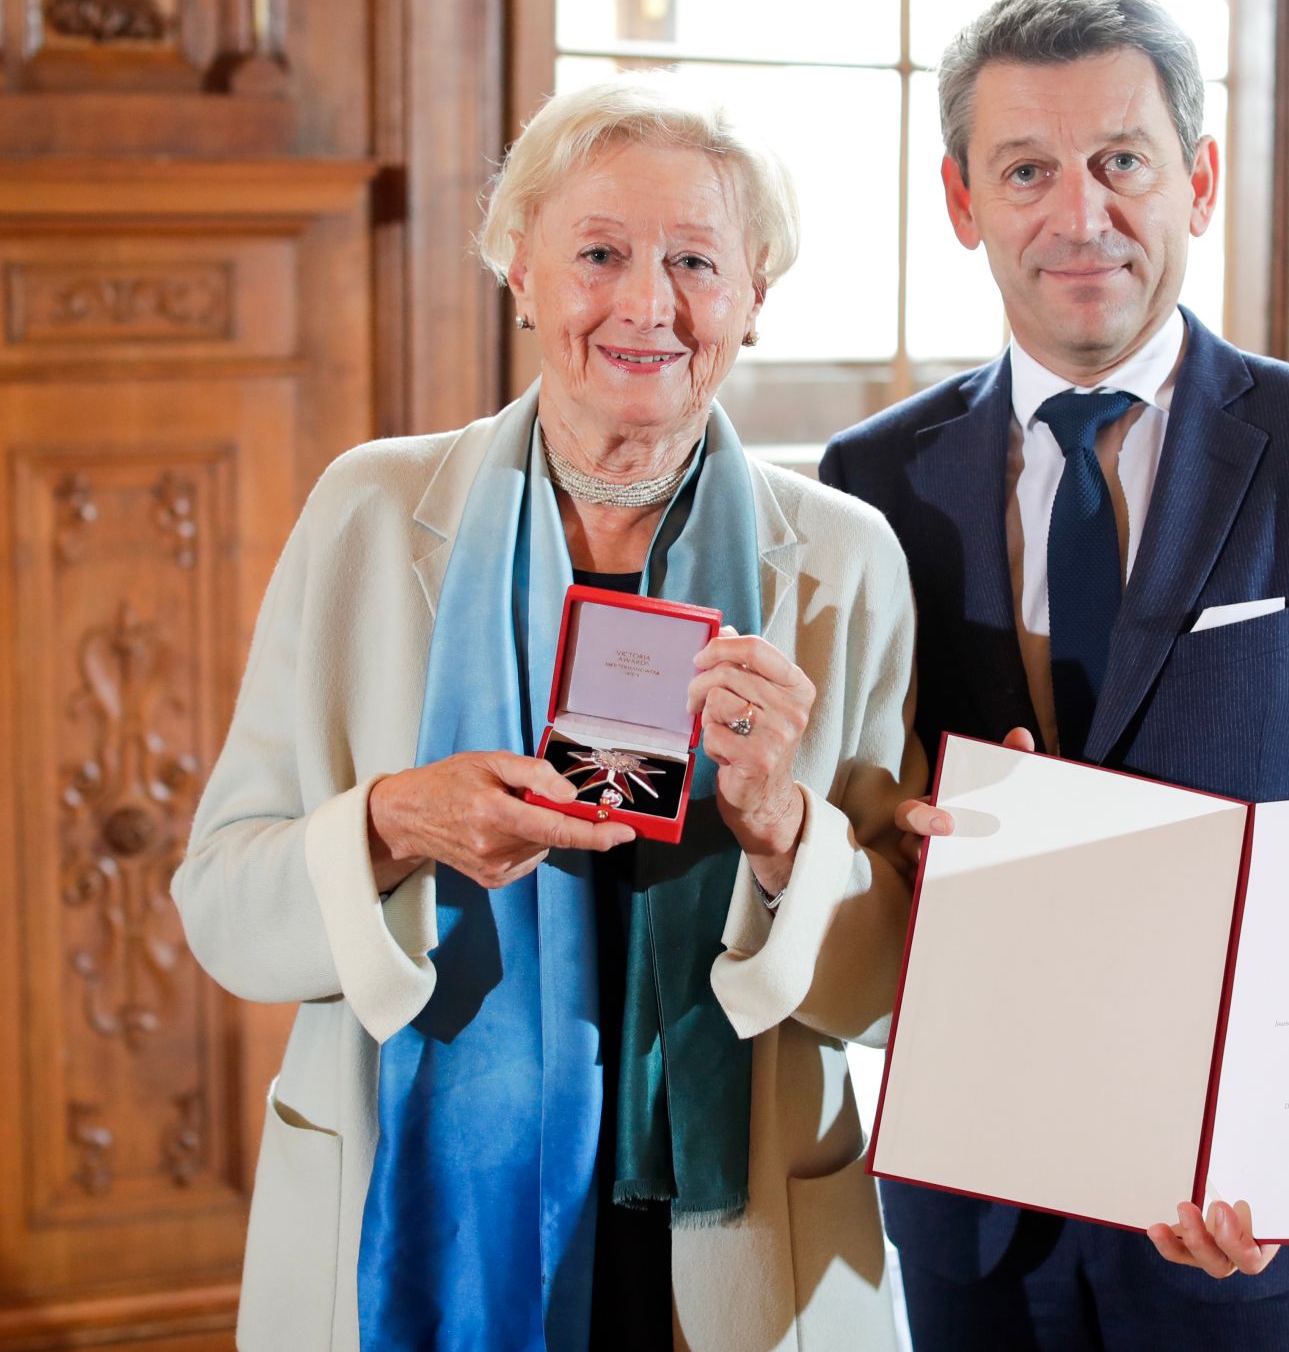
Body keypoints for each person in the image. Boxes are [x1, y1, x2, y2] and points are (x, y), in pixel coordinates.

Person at [173, 75, 918, 1351]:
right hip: (415, 1194)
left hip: (728, 1244)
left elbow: (895, 990)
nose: (646, 303)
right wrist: (393, 824)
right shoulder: (366, 511)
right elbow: (223, 910)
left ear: (752, 300)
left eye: (694, 260)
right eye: (597, 254)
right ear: (518, 271)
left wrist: (785, 832)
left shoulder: (845, 562)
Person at [820, 0, 1289, 1352]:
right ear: (961, 203)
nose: (1081, 216)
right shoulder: (871, 483)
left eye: (1123, 160)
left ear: (1200, 178)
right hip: (972, 1204)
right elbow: (847, 827)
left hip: (1238, 1218)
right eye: (1026, 171)